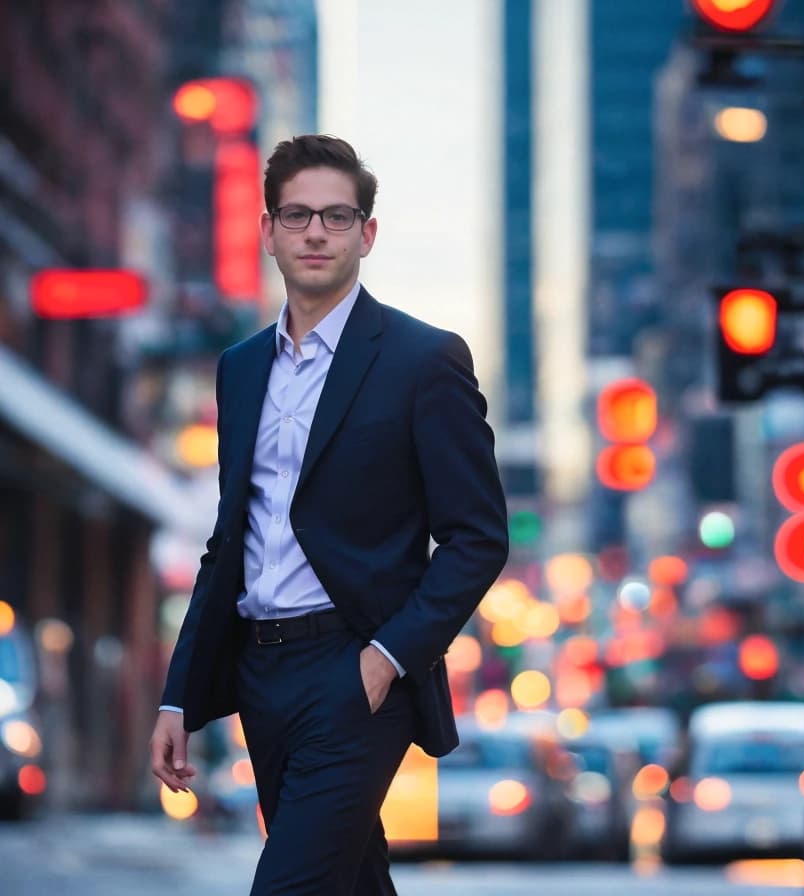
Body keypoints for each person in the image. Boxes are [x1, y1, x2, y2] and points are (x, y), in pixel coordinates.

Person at [148, 134, 509, 895]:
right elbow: (229, 544)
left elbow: (478, 538)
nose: (316, 232)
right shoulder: (240, 369)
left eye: (337, 216)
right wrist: (181, 693)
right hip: (261, 673)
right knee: (349, 883)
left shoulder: (423, 360)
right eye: (299, 214)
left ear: (366, 234)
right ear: (269, 230)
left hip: (354, 674)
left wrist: (385, 658)